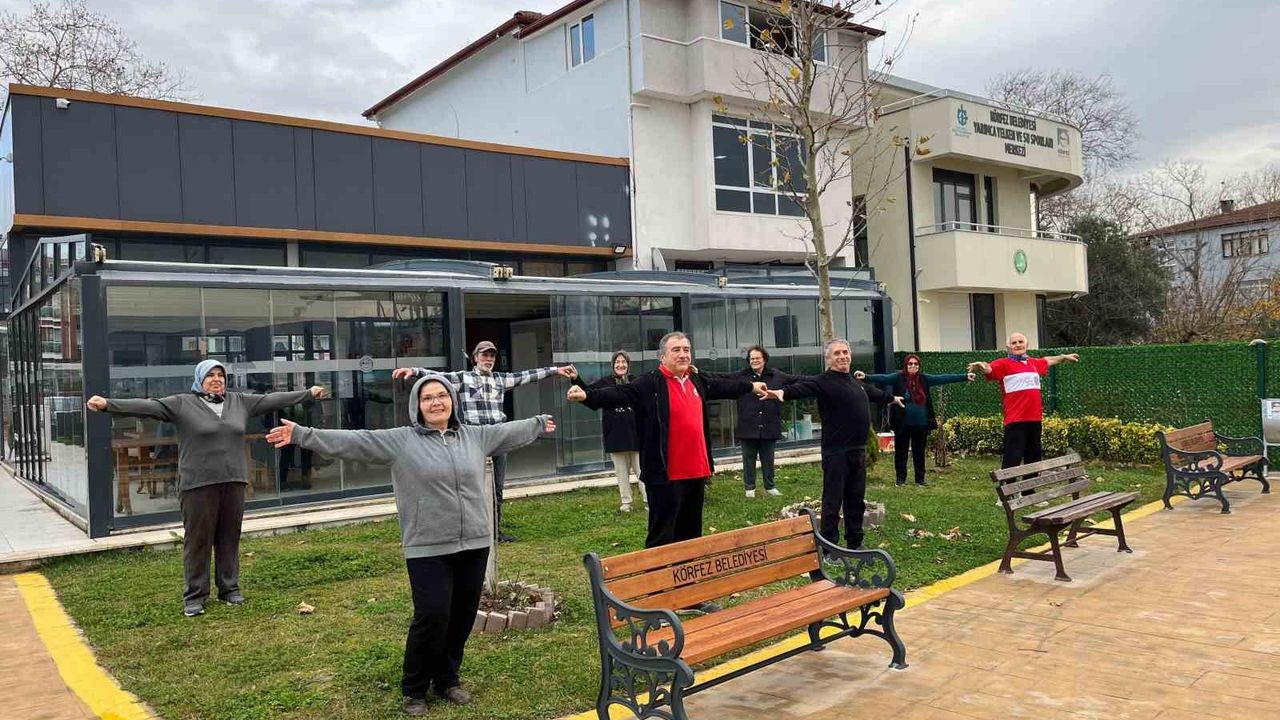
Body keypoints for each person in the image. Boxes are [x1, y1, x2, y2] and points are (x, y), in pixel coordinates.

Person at [266, 374, 554, 716]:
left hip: (474, 542)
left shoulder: (474, 436)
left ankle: (447, 679)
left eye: (442, 396)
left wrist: (538, 423)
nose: (436, 402)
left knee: (462, 616)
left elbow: (508, 431)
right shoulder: (402, 441)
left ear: (452, 401)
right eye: (427, 398)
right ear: (417, 405)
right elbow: (355, 441)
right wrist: (303, 434)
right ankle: (415, 688)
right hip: (428, 545)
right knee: (432, 615)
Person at [86, 360, 326, 617]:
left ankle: (229, 589)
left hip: (233, 481)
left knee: (229, 537)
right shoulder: (182, 404)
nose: (216, 379)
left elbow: (272, 400)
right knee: (198, 540)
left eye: (220, 375)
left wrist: (308, 393)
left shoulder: (239, 402)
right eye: (210, 375)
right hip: (197, 484)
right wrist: (107, 404)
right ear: (199, 379)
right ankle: (195, 596)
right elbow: (148, 406)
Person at [567, 332, 768, 551]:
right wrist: (587, 395)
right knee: (662, 537)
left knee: (691, 534)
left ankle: (687, 571)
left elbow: (723, 386)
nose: (683, 354)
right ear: (662, 356)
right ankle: (658, 573)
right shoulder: (651, 382)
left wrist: (751, 387)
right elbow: (619, 393)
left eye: (686, 350)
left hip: (696, 472)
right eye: (676, 350)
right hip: (665, 476)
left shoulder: (696, 380)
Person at [392, 341, 574, 542]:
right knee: (471, 487)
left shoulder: (500, 379)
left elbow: (527, 376)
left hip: (498, 439)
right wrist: (414, 371)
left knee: (497, 488)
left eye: (492, 356)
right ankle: (472, 529)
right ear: (475, 357)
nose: (489, 359)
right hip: (474, 440)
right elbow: (438, 377)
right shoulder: (463, 378)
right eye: (484, 355)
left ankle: (495, 531)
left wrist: (555, 370)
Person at [771, 339, 903, 549]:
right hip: (836, 453)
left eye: (845, 352)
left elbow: (872, 392)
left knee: (856, 500)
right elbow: (801, 388)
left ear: (850, 355)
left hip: (857, 451)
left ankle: (855, 544)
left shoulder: (855, 382)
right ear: (828, 359)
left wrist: (891, 399)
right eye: (837, 353)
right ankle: (829, 547)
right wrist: (782, 393)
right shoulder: (823, 381)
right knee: (833, 501)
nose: (842, 356)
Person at [967, 332, 1080, 469]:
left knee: (1034, 458)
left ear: (1026, 345)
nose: (1018, 345)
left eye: (1021, 342)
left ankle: (1031, 484)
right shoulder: (1003, 364)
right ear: (1008, 347)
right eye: (1014, 343)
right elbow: (989, 368)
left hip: (1035, 419)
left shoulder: (1033, 363)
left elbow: (1048, 360)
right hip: (1015, 420)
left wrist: (1064, 357)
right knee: (1012, 458)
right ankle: (1008, 482)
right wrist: (982, 366)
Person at [856, 354, 973, 487]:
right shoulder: (898, 377)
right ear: (906, 365)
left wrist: (965, 376)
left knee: (919, 452)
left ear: (919, 366)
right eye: (910, 364)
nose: (913, 366)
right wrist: (866, 376)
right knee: (901, 452)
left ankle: (920, 479)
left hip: (921, 423)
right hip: (902, 423)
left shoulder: (924, 379)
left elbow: (943, 378)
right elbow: (883, 378)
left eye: (916, 364)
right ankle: (900, 480)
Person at [567, 351, 647, 512]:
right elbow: (589, 395)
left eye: (624, 362)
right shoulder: (605, 382)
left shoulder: (636, 382)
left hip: (637, 435)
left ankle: (649, 500)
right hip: (615, 435)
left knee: (643, 471)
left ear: (628, 365)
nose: (620, 365)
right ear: (613, 365)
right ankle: (626, 502)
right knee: (621, 472)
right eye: (617, 362)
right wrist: (576, 379)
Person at [734, 346, 793, 498]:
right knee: (748, 459)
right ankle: (749, 489)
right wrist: (700, 373)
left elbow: (796, 380)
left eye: (757, 358)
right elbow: (721, 377)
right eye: (751, 358)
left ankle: (770, 486)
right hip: (748, 425)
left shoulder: (776, 375)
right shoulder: (741, 376)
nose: (754, 361)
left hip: (769, 424)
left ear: (764, 359)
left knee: (768, 458)